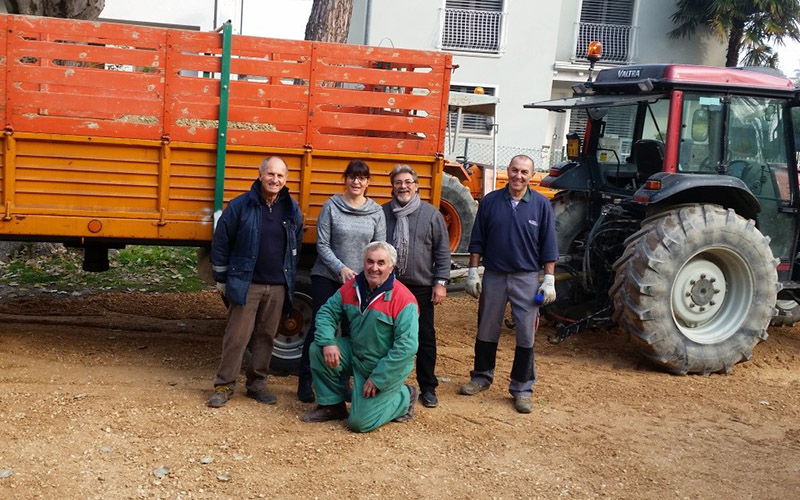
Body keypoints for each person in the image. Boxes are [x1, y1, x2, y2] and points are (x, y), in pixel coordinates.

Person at [460, 155, 558, 414]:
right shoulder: (491, 201)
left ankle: (522, 388)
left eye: (524, 172)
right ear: (508, 171)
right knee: (486, 328)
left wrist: (549, 279)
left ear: (531, 176)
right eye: (514, 170)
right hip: (494, 275)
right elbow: (477, 239)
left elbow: (549, 245)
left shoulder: (540, 205)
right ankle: (481, 376)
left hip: (526, 277)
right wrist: (473, 272)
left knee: (526, 333)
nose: (518, 176)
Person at [207, 156, 304, 408]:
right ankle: (223, 385)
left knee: (266, 336)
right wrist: (221, 278)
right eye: (270, 174)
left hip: (278, 286)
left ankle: (257, 384)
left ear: (286, 179)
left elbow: (296, 245)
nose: (275, 180)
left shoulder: (292, 209)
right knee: (236, 337)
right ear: (260, 175)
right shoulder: (241, 205)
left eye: (280, 176)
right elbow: (221, 242)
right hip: (246, 284)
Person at [301, 241, 419, 432]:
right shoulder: (351, 287)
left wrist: (379, 379)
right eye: (369, 262)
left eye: (381, 263)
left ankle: (405, 395)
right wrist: (328, 342)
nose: (374, 268)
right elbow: (326, 313)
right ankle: (332, 405)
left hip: (383, 365)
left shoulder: (403, 299)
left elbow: (406, 347)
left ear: (391, 267)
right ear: (363, 263)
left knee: (359, 423)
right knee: (317, 348)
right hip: (356, 353)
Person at [297, 160, 386, 403]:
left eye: (362, 177)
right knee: (320, 327)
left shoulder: (376, 212)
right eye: (352, 177)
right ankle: (305, 381)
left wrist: (365, 276)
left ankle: (343, 383)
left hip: (360, 284)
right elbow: (322, 244)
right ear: (344, 179)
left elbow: (379, 248)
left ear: (368, 182)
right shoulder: (331, 206)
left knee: (352, 332)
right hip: (327, 277)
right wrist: (340, 269)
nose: (356, 182)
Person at [382, 164, 450, 408]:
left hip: (420, 288)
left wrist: (440, 283)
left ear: (416, 185)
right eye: (398, 182)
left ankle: (428, 387)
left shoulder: (431, 214)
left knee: (424, 338)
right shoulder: (382, 213)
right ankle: (388, 385)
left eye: (408, 182)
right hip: (389, 287)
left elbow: (442, 252)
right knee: (386, 337)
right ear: (392, 186)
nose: (403, 186)